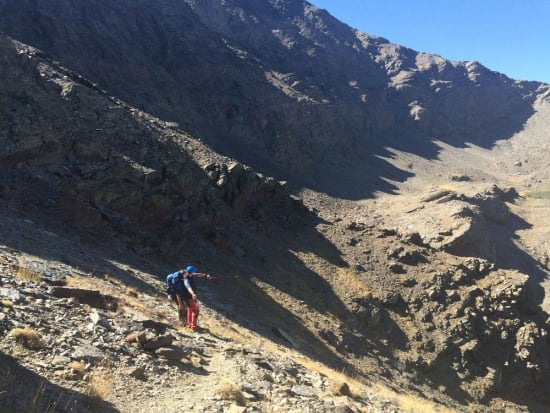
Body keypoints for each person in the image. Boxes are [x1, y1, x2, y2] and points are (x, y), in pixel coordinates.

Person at [167, 265, 211, 330]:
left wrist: (205, 275)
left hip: (187, 296)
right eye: (193, 272)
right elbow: (187, 287)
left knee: (189, 310)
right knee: (194, 310)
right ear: (190, 272)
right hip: (185, 296)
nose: (194, 273)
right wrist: (192, 294)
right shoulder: (185, 279)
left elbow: (197, 274)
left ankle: (188, 325)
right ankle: (192, 326)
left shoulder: (188, 273)